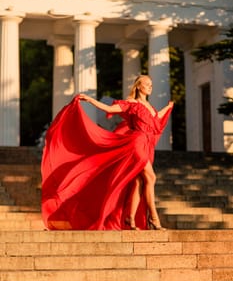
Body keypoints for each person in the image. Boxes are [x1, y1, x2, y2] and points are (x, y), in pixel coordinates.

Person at [41, 75, 174, 230]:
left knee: (139, 182)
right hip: (137, 143)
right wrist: (90, 100)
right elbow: (110, 109)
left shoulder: (149, 106)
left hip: (147, 145)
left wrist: (169, 106)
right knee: (151, 177)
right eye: (147, 84)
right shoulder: (132, 103)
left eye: (151, 84)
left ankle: (130, 219)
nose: (150, 87)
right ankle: (154, 218)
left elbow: (156, 119)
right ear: (138, 86)